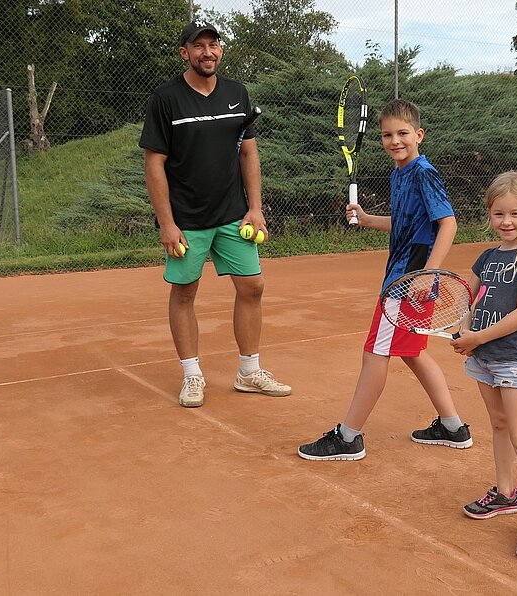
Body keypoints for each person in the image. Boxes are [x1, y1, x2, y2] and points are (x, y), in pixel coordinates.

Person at [297, 98, 472, 461]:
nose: (395, 140)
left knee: (375, 353)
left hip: (409, 283)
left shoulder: (423, 172)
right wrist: (367, 218)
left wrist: (427, 275)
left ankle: (348, 437)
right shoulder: (399, 174)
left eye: (403, 133)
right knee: (412, 355)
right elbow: (406, 224)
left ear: (419, 135)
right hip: (406, 279)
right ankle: (453, 427)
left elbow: (448, 223)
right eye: (387, 135)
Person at [140, 21, 291, 408]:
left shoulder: (237, 94)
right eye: (198, 46)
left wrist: (255, 209)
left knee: (253, 287)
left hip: (232, 214)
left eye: (214, 45)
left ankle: (249, 371)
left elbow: (248, 152)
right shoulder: (166, 100)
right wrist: (167, 223)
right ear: (184, 53)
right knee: (185, 291)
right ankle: (192, 375)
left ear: (220, 50)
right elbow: (154, 164)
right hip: (186, 219)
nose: (208, 52)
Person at [451, 171, 517, 558]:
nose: (506, 221)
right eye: (498, 213)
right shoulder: (487, 257)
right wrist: (463, 327)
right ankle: (506, 494)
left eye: (515, 213)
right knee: (498, 425)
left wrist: (477, 336)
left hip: (509, 359)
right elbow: (466, 295)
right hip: (482, 359)